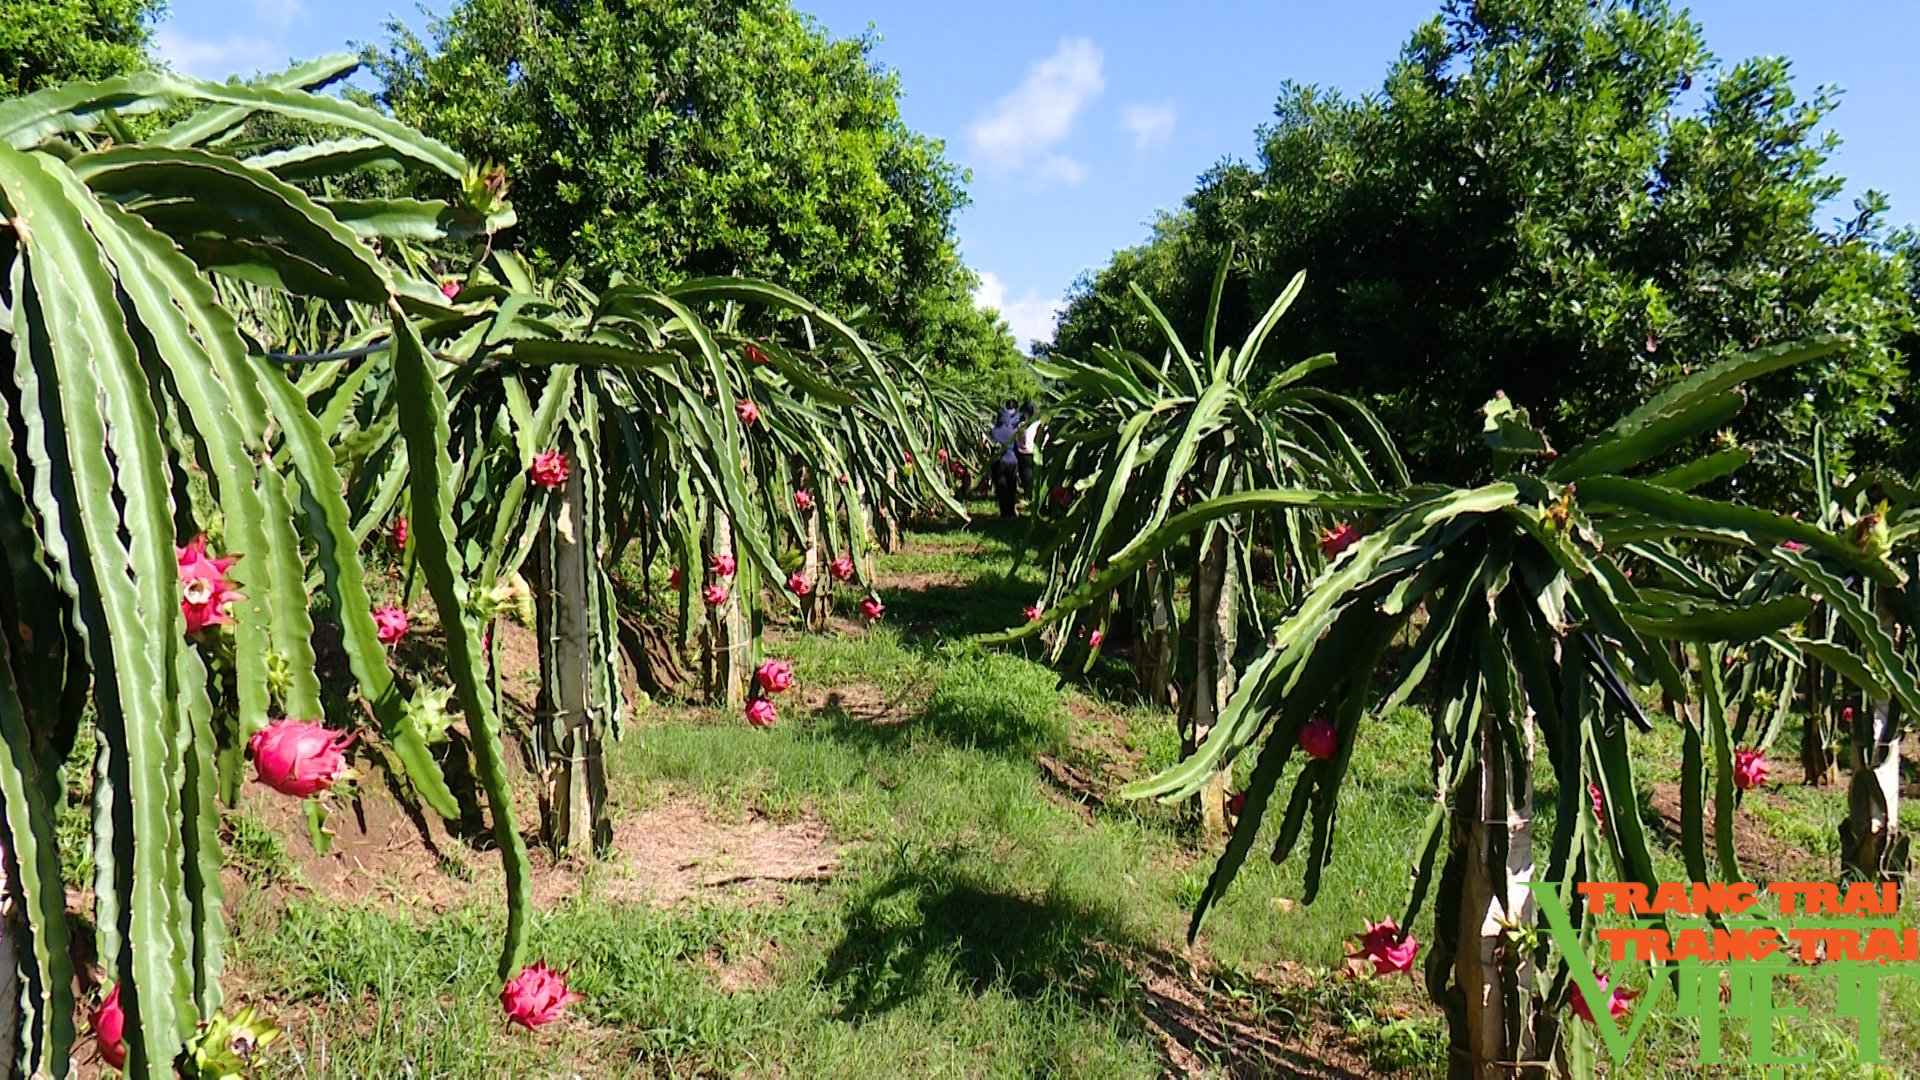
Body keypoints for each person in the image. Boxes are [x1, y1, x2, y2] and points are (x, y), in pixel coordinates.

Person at [987, 405, 1022, 519]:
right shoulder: (1013, 432)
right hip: (1012, 462)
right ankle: (1011, 512)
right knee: (1011, 487)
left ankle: (1004, 512)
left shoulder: (993, 432)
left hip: (999, 462)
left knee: (1001, 487)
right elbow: (1017, 447)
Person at [1015, 401, 1040, 495]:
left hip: (1024, 453)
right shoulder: (1039, 424)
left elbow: (1018, 439)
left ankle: (1028, 494)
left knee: (1026, 475)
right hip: (1036, 452)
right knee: (1036, 475)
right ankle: (1035, 494)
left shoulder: (1022, 425)